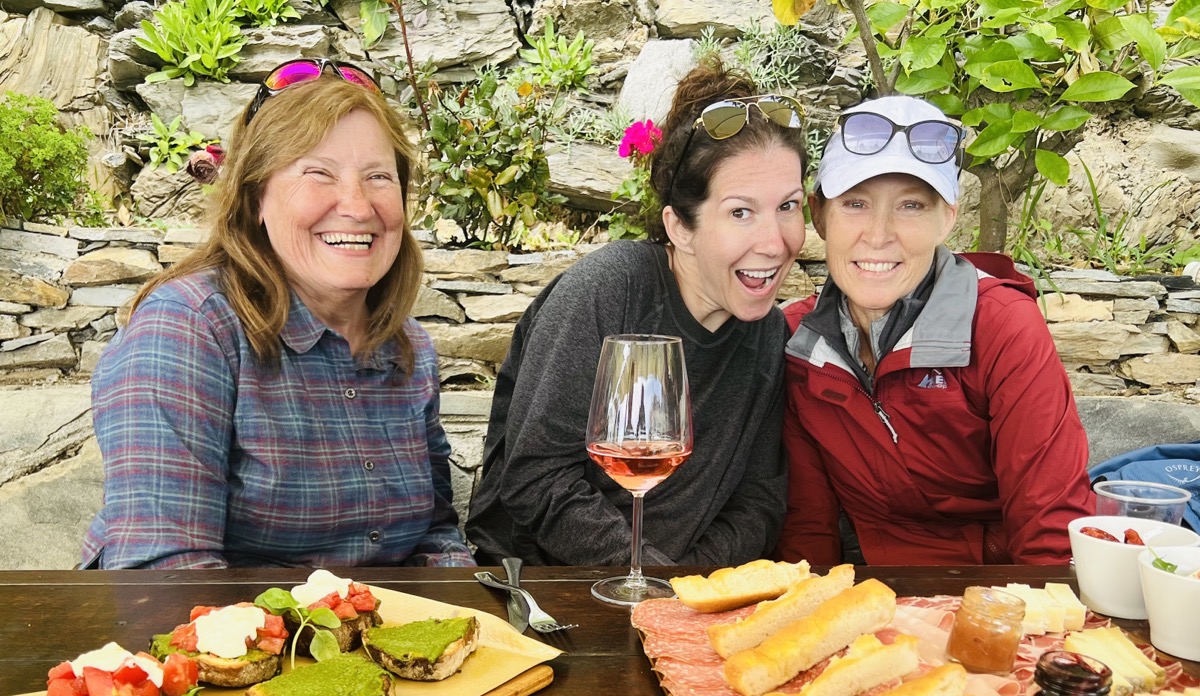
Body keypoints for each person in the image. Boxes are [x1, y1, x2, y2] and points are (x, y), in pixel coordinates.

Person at [82, 59, 474, 569]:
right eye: (318, 173)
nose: (357, 206)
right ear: (255, 197)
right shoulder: (188, 328)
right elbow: (167, 576)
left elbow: (435, 535)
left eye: (379, 176)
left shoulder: (410, 347)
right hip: (220, 638)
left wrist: (471, 623)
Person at [466, 61, 807, 566]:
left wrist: (687, 590)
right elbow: (534, 478)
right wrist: (645, 578)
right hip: (552, 593)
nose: (775, 241)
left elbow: (758, 501)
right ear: (680, 228)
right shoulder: (610, 293)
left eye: (789, 206)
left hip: (679, 600)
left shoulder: (767, 335)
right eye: (741, 211)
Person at [776, 94, 1093, 566]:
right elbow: (807, 528)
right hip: (880, 590)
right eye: (856, 203)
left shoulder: (1001, 325)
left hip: (1001, 589)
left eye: (911, 205)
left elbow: (1050, 530)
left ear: (947, 218)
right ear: (819, 215)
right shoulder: (795, 341)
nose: (879, 234)